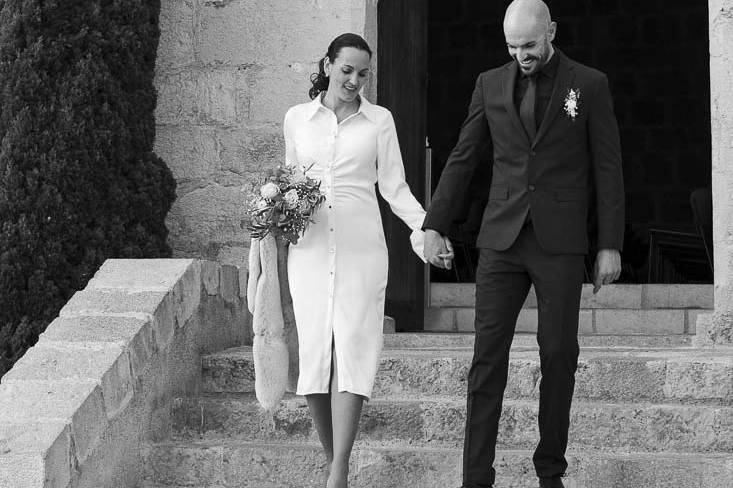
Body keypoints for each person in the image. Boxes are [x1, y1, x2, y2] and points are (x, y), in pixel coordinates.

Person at [422, 1, 625, 487]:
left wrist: (609, 244)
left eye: (529, 45)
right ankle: (476, 477)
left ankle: (549, 471)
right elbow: (465, 156)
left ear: (551, 31)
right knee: (486, 359)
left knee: (558, 354)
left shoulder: (589, 84)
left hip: (559, 241)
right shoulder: (489, 83)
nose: (521, 55)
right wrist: (434, 224)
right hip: (502, 239)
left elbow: (608, 167)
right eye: (512, 46)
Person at [282, 33, 442, 488]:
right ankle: (337, 463)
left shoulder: (380, 121)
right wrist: (271, 212)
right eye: (346, 69)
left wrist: (426, 228)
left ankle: (337, 473)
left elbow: (394, 188)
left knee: (352, 348)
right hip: (309, 251)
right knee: (315, 354)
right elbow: (289, 181)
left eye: (363, 73)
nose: (354, 80)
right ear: (328, 65)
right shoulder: (296, 119)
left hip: (362, 251)